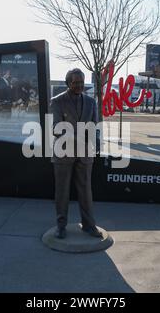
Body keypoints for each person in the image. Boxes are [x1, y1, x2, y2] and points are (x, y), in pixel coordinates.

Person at [50, 68, 102, 239]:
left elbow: (95, 126)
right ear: (68, 83)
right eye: (75, 82)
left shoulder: (91, 102)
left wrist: (96, 145)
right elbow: (56, 128)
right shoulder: (57, 102)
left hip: (85, 153)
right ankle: (60, 226)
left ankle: (89, 225)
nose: (79, 85)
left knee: (86, 191)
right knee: (62, 191)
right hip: (64, 152)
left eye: (81, 82)